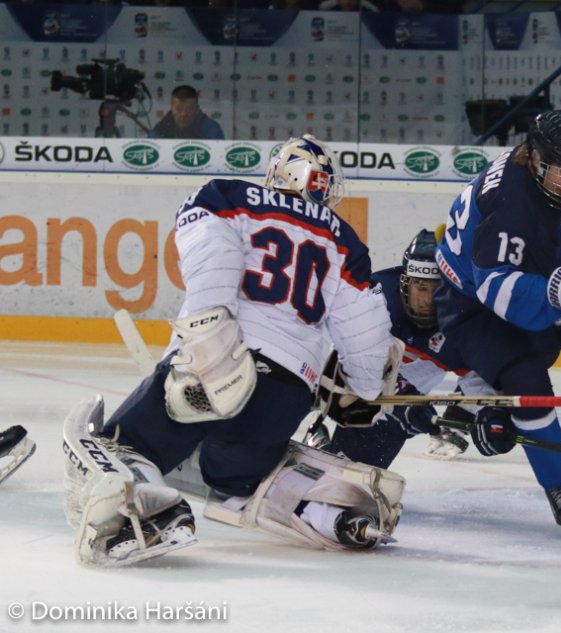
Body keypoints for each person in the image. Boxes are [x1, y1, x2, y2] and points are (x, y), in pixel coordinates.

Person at [61, 135, 403, 567]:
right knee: (237, 475)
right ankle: (324, 513)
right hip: (285, 393)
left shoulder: (226, 195)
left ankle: (149, 516)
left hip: (223, 360)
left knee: (125, 445)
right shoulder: (346, 242)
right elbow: (367, 332)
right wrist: (365, 388)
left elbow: (215, 256)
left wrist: (209, 334)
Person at [433, 109, 561, 537]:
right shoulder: (511, 203)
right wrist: (559, 291)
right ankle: (559, 486)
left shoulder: (552, 181)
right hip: (468, 304)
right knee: (530, 382)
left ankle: (482, 388)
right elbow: (493, 286)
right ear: (536, 158)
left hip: (506, 283)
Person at [321, 229, 498, 469]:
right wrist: (398, 397)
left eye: (436, 289)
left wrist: (489, 414)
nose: (427, 300)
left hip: (412, 380)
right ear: (405, 282)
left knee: (359, 466)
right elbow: (335, 354)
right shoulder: (378, 299)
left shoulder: (464, 322)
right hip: (367, 370)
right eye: (420, 287)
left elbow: (484, 377)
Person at [149, 85, 225, 140]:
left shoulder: (211, 129)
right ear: (171, 109)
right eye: (178, 109)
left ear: (197, 109)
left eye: (189, 109)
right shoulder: (160, 130)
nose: (184, 114)